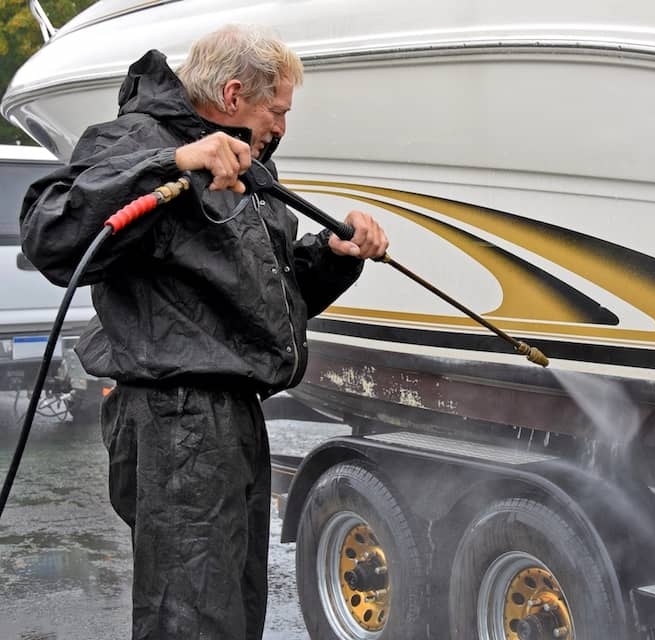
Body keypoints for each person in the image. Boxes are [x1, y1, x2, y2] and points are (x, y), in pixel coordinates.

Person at [19, 24, 388, 640]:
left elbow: (264, 305)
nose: (282, 128)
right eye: (279, 111)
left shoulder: (249, 167)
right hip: (176, 421)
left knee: (235, 613)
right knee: (189, 620)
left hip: (231, 418)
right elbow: (49, 234)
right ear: (236, 93)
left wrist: (335, 252)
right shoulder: (138, 140)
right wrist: (170, 163)